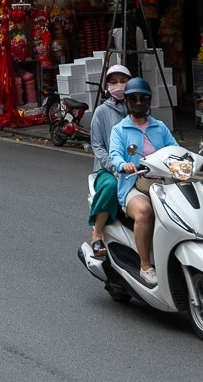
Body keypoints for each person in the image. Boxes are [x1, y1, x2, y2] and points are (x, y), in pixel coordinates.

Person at [107, 77, 178, 287]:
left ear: (149, 100)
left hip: (163, 184)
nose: (138, 102)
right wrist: (124, 165)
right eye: (134, 99)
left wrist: (198, 160)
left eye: (143, 98)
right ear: (127, 101)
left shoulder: (160, 127)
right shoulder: (120, 130)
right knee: (145, 211)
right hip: (133, 185)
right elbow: (114, 155)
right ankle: (145, 266)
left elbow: (175, 150)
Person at [87, 63, 132, 259]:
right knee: (111, 186)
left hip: (137, 167)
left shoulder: (138, 108)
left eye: (123, 81)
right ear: (108, 86)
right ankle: (97, 234)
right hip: (108, 169)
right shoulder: (101, 112)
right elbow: (97, 146)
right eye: (114, 82)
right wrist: (115, 167)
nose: (119, 85)